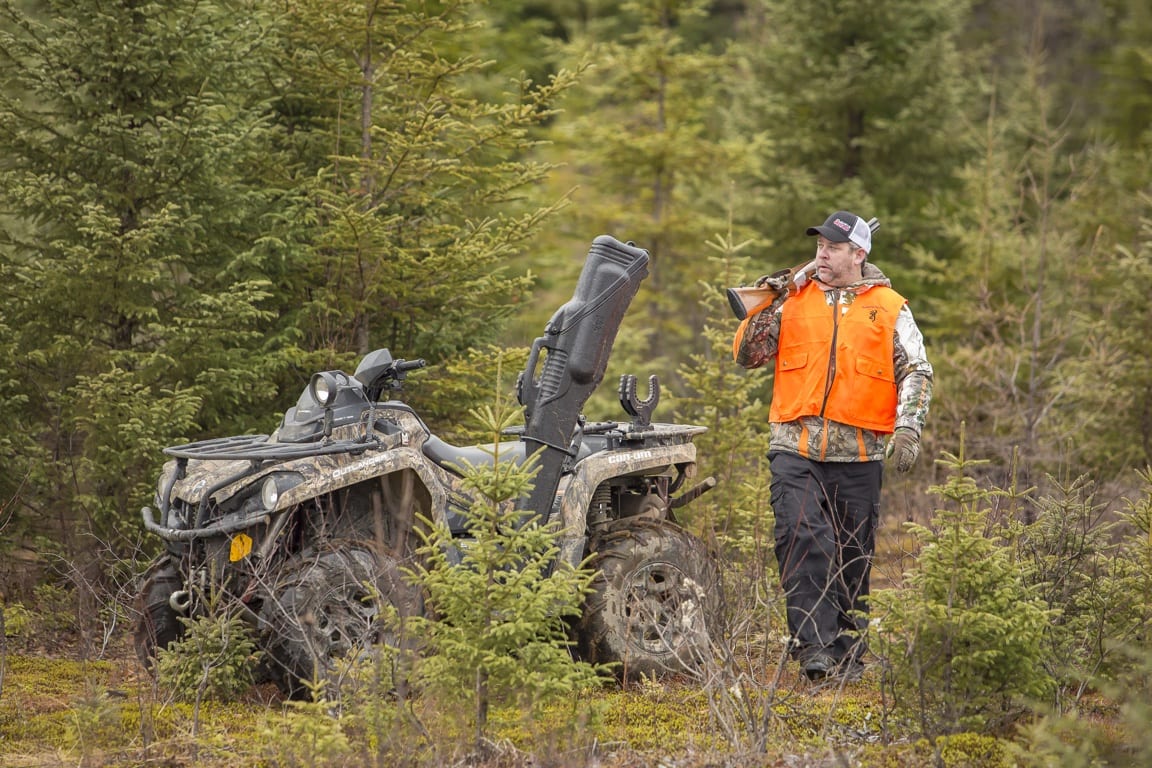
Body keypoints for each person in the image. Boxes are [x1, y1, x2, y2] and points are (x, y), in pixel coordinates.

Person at [733, 210, 933, 681]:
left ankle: (847, 653)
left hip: (859, 454)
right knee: (801, 536)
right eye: (819, 245)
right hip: (794, 446)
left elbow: (917, 371)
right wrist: (773, 295)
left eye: (833, 247)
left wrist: (909, 427)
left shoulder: (889, 307)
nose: (822, 253)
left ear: (858, 254)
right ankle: (813, 649)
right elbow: (748, 355)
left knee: (852, 554)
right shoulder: (793, 298)